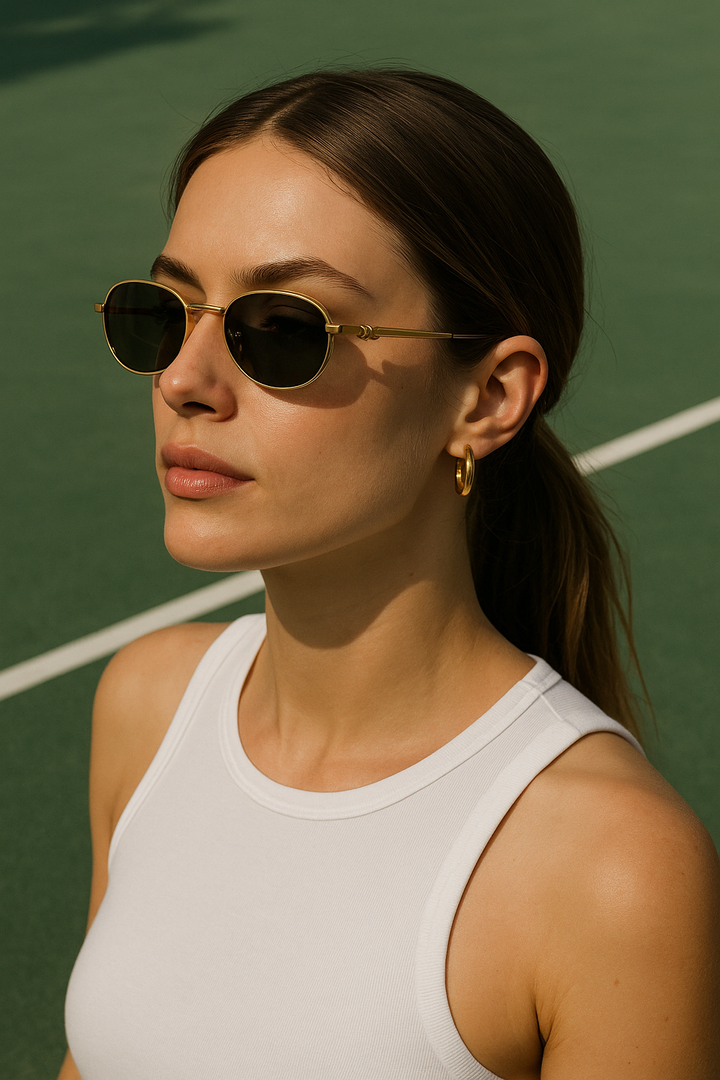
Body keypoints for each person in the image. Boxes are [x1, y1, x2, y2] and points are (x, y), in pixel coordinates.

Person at [59, 70, 719, 1079]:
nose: (184, 382)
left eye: (279, 330)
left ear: (489, 397)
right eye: (167, 311)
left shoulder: (608, 865)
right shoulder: (150, 705)